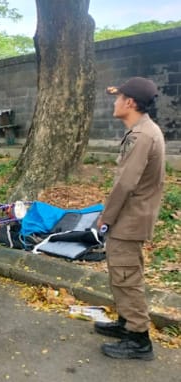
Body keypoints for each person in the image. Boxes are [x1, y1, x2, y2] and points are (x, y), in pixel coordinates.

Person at [94, 77, 164, 361]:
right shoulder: (143, 131)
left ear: (130, 103)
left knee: (126, 277)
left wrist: (104, 218)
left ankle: (138, 339)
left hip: (130, 218)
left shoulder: (142, 135)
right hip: (133, 216)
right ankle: (126, 322)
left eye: (118, 97)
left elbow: (125, 184)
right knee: (123, 273)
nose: (115, 102)